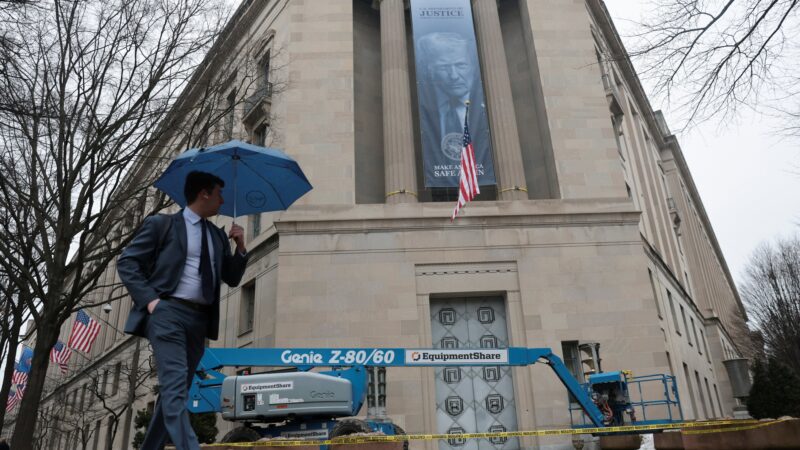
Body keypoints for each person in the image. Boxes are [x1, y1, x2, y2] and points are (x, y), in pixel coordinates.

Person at [118, 171, 248, 450]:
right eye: (219, 194)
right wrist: (152, 303)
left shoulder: (216, 235)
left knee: (171, 398)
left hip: (199, 322)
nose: (222, 201)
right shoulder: (161, 224)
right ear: (204, 193)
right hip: (168, 315)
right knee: (175, 391)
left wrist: (240, 248)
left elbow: (232, 278)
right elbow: (127, 263)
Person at [415, 32, 493, 186]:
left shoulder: (485, 108)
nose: (454, 76)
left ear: (473, 68)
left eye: (460, 65)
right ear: (430, 71)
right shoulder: (425, 106)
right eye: (444, 67)